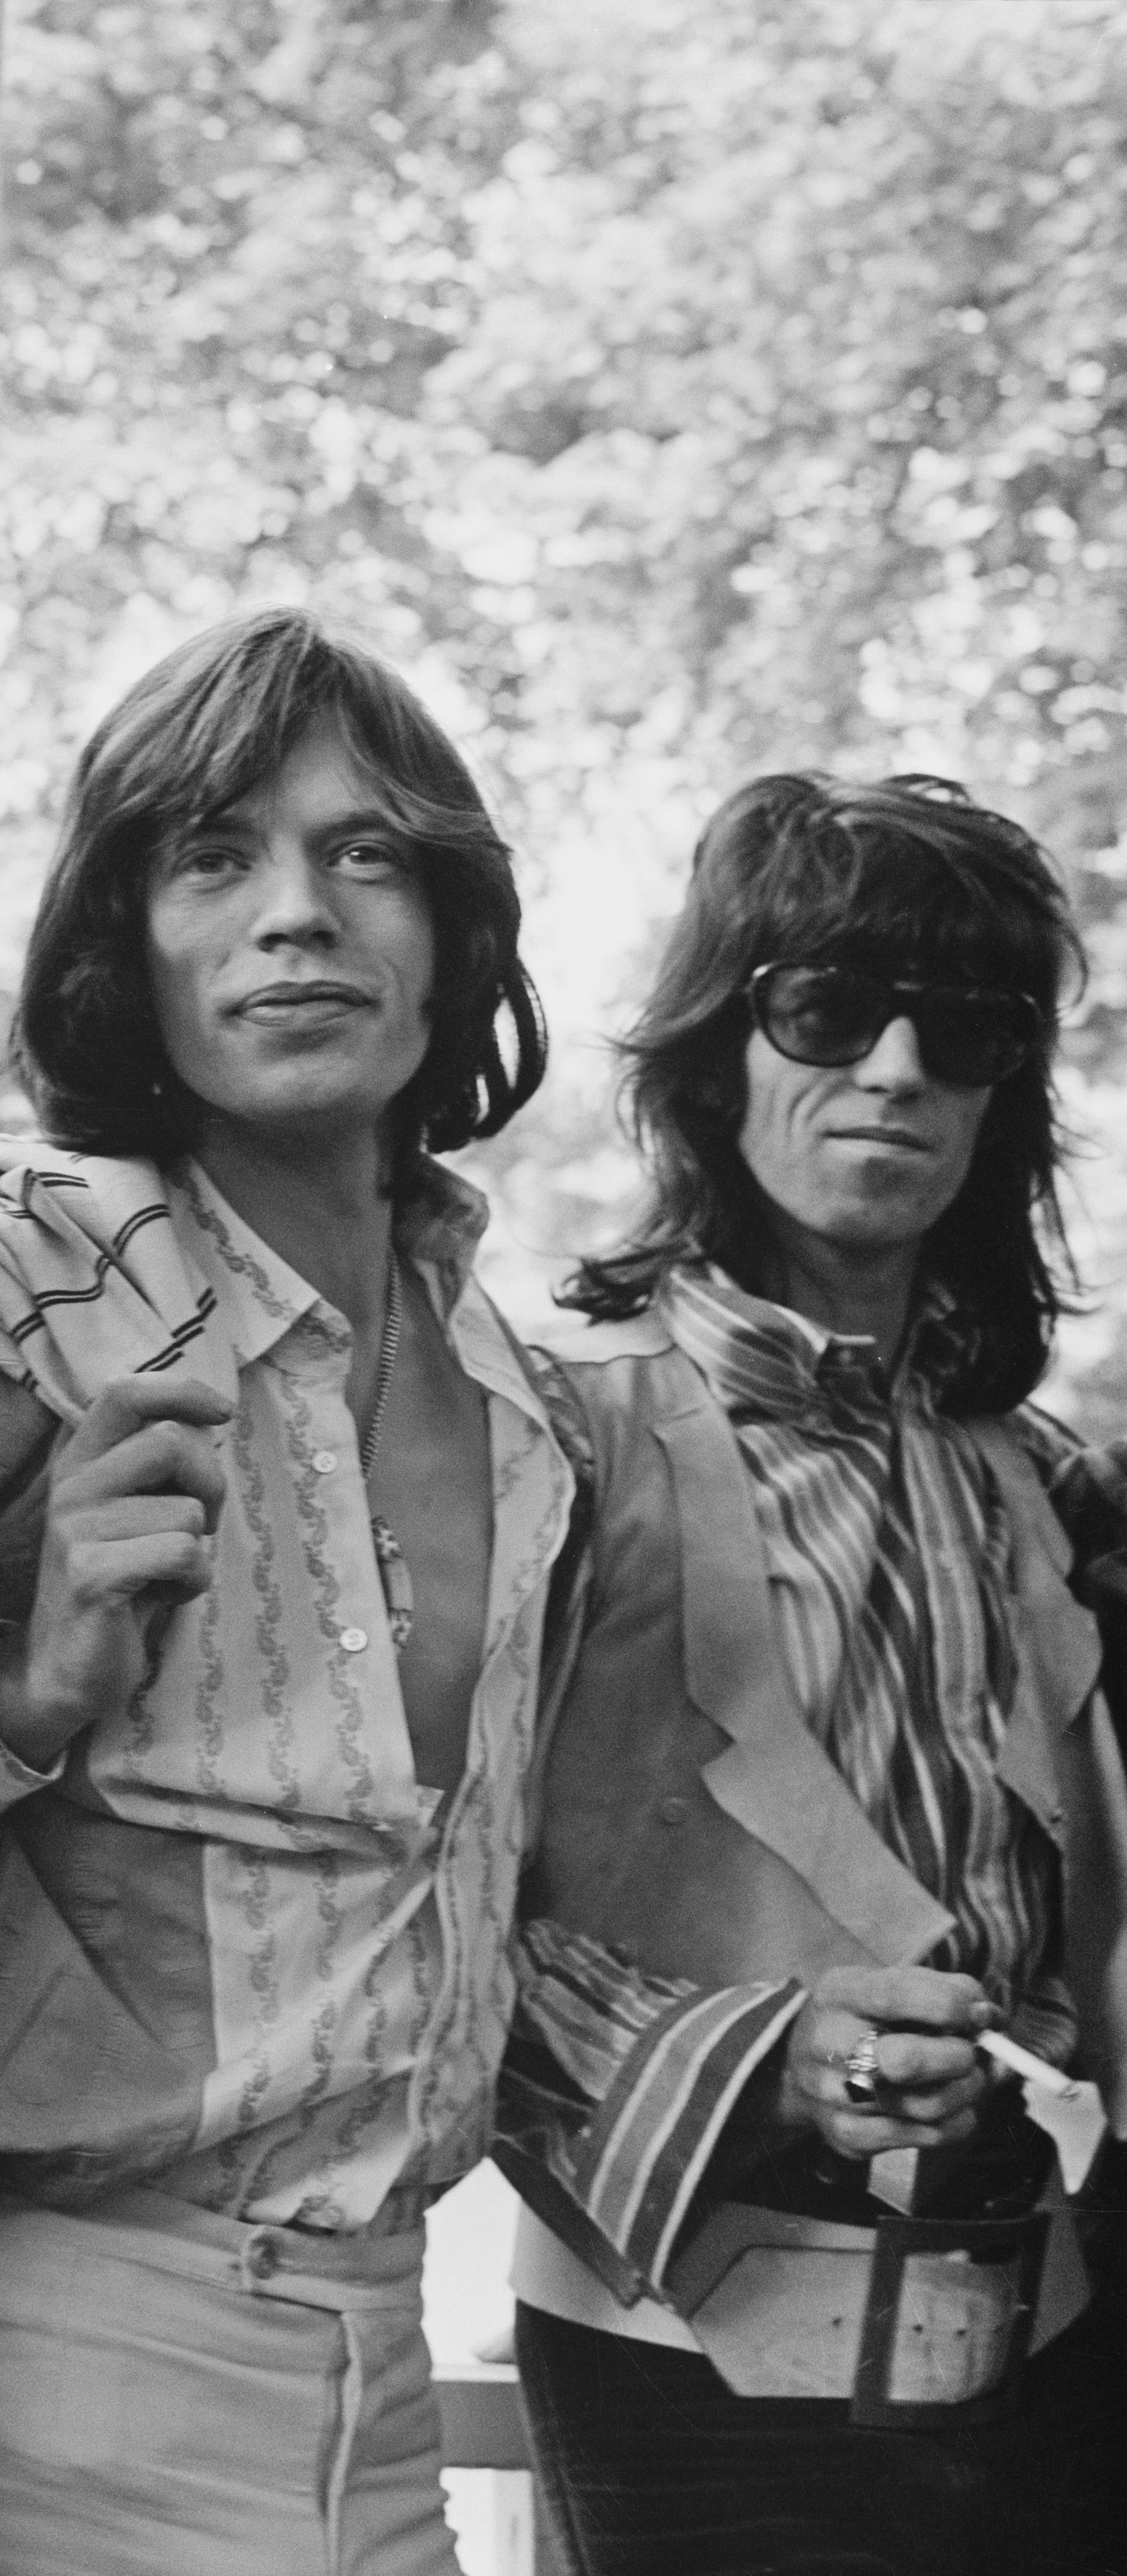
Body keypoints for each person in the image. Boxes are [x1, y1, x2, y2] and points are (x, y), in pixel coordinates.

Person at [0, 606, 570, 2575]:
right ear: (127, 943)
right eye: (217, 856)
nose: (299, 915)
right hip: (68, 2360)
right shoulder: (10, 1293)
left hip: (391, 2379)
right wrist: (29, 1690)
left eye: (367, 855)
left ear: (449, 934)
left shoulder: (525, 1403)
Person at [497, 773, 1127, 2575]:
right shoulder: (547, 1427)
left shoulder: (1021, 1472)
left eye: (973, 1029)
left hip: (1051, 2338)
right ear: (720, 1049)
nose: (902, 1066)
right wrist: (755, 2059)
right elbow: (415, 1906)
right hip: (685, 2358)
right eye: (831, 1008)